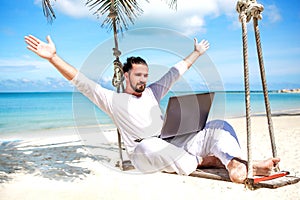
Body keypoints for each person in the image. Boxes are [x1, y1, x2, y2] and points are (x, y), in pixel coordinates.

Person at [24, 35, 280, 183]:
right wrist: (53, 58)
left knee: (219, 125)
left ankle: (236, 163)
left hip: (175, 146)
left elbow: (175, 72)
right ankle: (227, 162)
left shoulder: (153, 92)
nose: (143, 79)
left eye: (146, 75)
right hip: (146, 154)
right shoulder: (111, 100)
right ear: (126, 75)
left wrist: (196, 53)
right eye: (138, 75)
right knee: (149, 144)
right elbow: (81, 81)